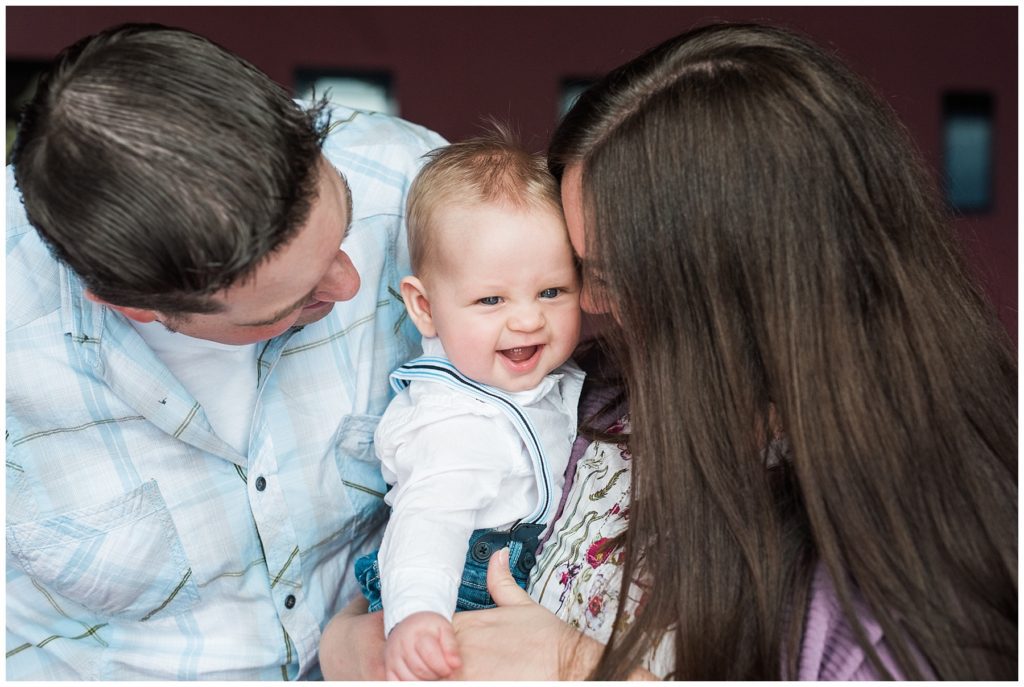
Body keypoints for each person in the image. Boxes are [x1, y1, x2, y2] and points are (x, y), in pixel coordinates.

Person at [320, 22, 1017, 680]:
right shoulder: (602, 397)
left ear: (742, 289)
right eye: (580, 269)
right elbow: (379, 604)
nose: (591, 307)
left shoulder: (895, 570)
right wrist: (350, 646)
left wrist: (579, 667)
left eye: (608, 278)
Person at [5, 23, 446, 680]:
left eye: (345, 225)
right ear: (135, 305)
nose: (351, 283)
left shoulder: (412, 183)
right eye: (288, 307)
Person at [352, 129, 585, 680]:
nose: (527, 319)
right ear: (425, 308)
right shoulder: (453, 419)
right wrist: (416, 615)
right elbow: (427, 522)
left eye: (552, 291)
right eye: (491, 300)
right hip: (461, 590)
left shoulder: (544, 380)